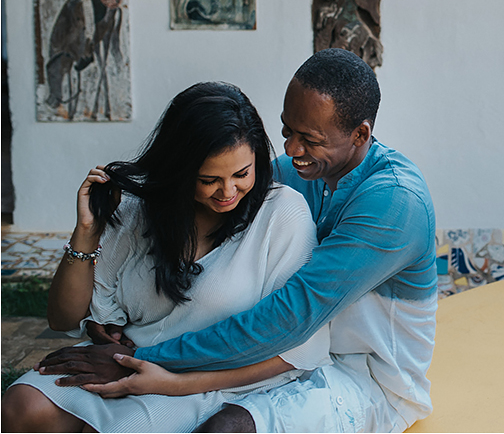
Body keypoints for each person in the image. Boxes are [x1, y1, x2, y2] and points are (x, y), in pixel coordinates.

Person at [37, 48, 439, 433]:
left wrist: (139, 358)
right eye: (286, 131)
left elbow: (291, 315)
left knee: (226, 428)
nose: (291, 150)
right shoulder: (302, 170)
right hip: (296, 357)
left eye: (310, 139)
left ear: (360, 133)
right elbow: (212, 180)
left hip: (367, 377)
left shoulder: (395, 202)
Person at [2, 82, 331, 432]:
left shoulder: (282, 214)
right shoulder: (138, 209)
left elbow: (297, 348)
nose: (228, 192)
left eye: (242, 174)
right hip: (122, 361)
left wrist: (161, 377)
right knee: (22, 407)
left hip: (211, 380)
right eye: (209, 179)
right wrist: (87, 232)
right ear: (180, 169)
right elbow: (63, 319)